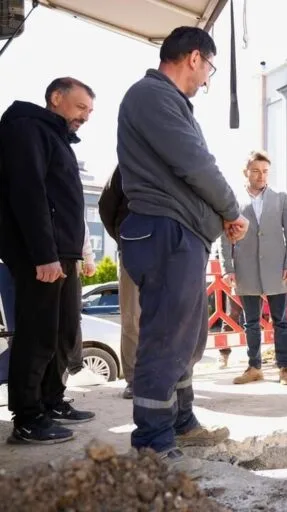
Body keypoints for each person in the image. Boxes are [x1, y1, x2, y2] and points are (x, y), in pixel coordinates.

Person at [117, 26, 249, 473]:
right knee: (166, 336)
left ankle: (180, 420)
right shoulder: (152, 96)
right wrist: (231, 210)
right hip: (164, 231)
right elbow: (195, 163)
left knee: (188, 337)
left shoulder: (167, 102)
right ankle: (152, 440)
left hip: (181, 233)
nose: (209, 78)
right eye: (209, 67)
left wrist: (214, 221)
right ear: (194, 57)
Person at [0, 77, 97, 444]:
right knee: (36, 333)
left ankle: (51, 401)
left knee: (59, 334)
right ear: (56, 98)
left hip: (62, 253)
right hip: (40, 254)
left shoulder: (55, 135)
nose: (85, 117)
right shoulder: (27, 128)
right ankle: (27, 418)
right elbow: (29, 193)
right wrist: (44, 254)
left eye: (89, 112)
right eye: (79, 107)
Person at [221, 150, 287, 386]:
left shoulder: (281, 198)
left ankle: (284, 368)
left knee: (281, 320)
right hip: (246, 268)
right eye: (255, 171)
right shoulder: (232, 199)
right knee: (250, 322)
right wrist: (228, 267)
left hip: (278, 269)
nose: (261, 176)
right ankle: (254, 367)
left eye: (265, 171)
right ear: (246, 172)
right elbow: (225, 236)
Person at [98, 165, 139, 399]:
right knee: (132, 317)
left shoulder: (174, 156)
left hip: (168, 252)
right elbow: (106, 206)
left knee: (166, 317)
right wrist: (123, 237)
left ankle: (163, 376)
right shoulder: (125, 163)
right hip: (132, 249)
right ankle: (134, 380)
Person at [65, 221, 107, 387]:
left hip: (70, 260)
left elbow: (79, 223)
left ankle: (76, 369)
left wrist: (88, 258)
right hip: (41, 258)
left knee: (73, 319)